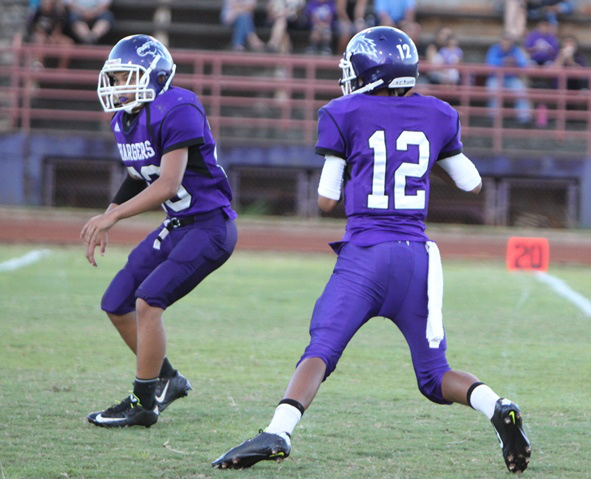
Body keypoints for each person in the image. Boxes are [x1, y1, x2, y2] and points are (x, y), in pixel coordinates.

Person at [211, 26, 531, 475]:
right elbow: (472, 183)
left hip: (366, 254)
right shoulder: (437, 113)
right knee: (434, 375)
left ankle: (279, 431)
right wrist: (423, 158)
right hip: (418, 257)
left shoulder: (344, 112)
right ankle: (496, 406)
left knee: (322, 349)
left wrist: (358, 165)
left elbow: (326, 200)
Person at [82, 34, 238, 428]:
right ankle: (167, 379)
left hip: (209, 226)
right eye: (116, 79)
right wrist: (109, 211)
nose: (119, 86)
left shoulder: (177, 107)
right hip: (177, 226)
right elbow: (139, 175)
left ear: (154, 75)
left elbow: (168, 184)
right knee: (116, 301)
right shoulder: (126, 118)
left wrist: (114, 218)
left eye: (127, 78)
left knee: (148, 302)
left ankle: (143, 402)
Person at [485, 32, 532, 124]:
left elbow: (523, 63)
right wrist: (503, 61)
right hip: (496, 78)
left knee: (521, 91)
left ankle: (524, 118)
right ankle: (493, 117)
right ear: (500, 41)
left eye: (509, 40)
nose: (506, 42)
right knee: (493, 90)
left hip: (512, 78)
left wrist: (515, 61)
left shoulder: (515, 50)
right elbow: (490, 62)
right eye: (504, 40)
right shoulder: (494, 49)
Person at [27, 0, 74, 70]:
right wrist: (43, 34)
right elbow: (34, 27)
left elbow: (59, 27)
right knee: (40, 38)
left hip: (54, 37)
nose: (47, 4)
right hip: (41, 36)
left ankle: (62, 70)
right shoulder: (37, 12)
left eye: (48, 2)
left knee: (68, 43)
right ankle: (38, 65)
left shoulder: (58, 12)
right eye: (45, 2)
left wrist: (53, 37)